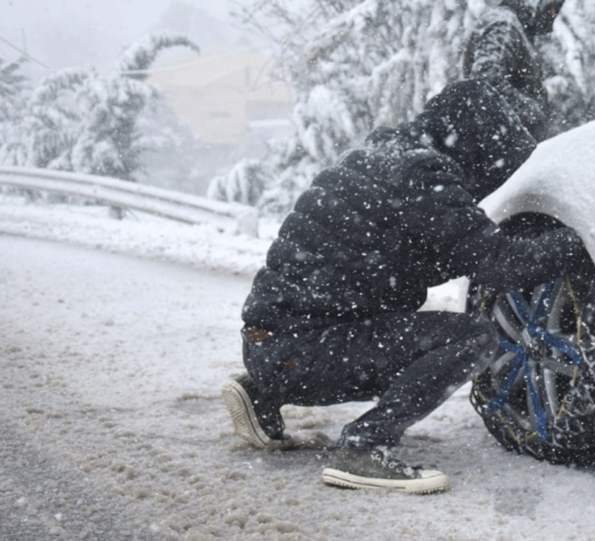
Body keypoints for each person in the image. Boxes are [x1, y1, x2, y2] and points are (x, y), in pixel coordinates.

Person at [221, 0, 574, 495]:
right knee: (469, 339)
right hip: (304, 348)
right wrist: (581, 242)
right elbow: (500, 266)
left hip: (270, 343)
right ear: (474, 147)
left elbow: (424, 252)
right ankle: (364, 447)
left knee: (377, 331)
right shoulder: (424, 180)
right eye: (494, 165)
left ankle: (261, 390)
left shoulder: (385, 160)